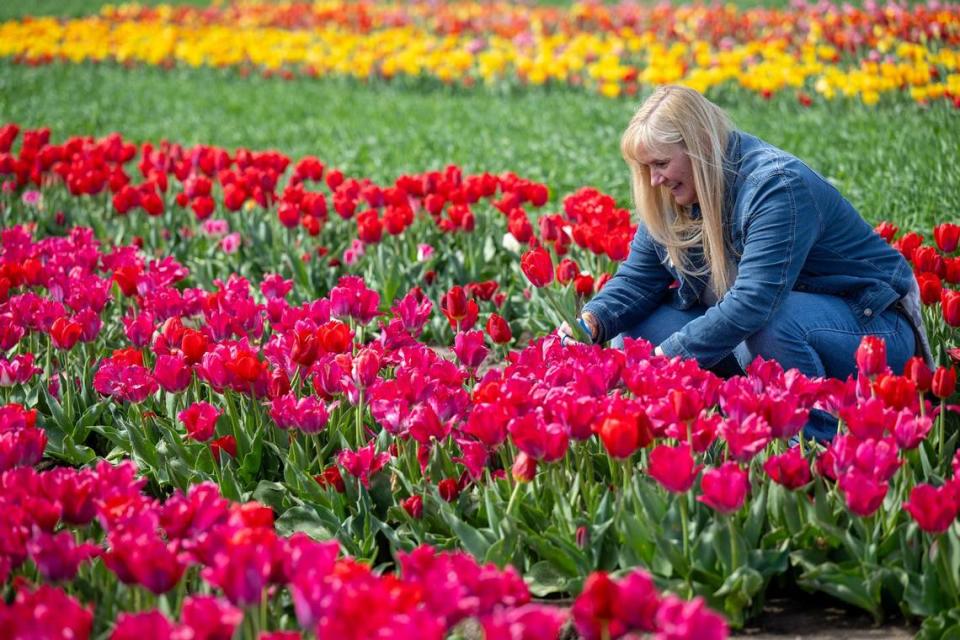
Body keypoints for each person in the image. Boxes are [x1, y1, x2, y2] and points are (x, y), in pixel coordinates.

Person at [559, 85, 931, 441]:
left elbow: (753, 303)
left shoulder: (776, 187)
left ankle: (816, 445)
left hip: (873, 333)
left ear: (700, 146)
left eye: (660, 164)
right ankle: (731, 419)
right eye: (646, 168)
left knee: (771, 321)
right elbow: (637, 280)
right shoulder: (675, 194)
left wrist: (666, 358)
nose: (654, 180)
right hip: (768, 335)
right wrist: (589, 323)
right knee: (633, 329)